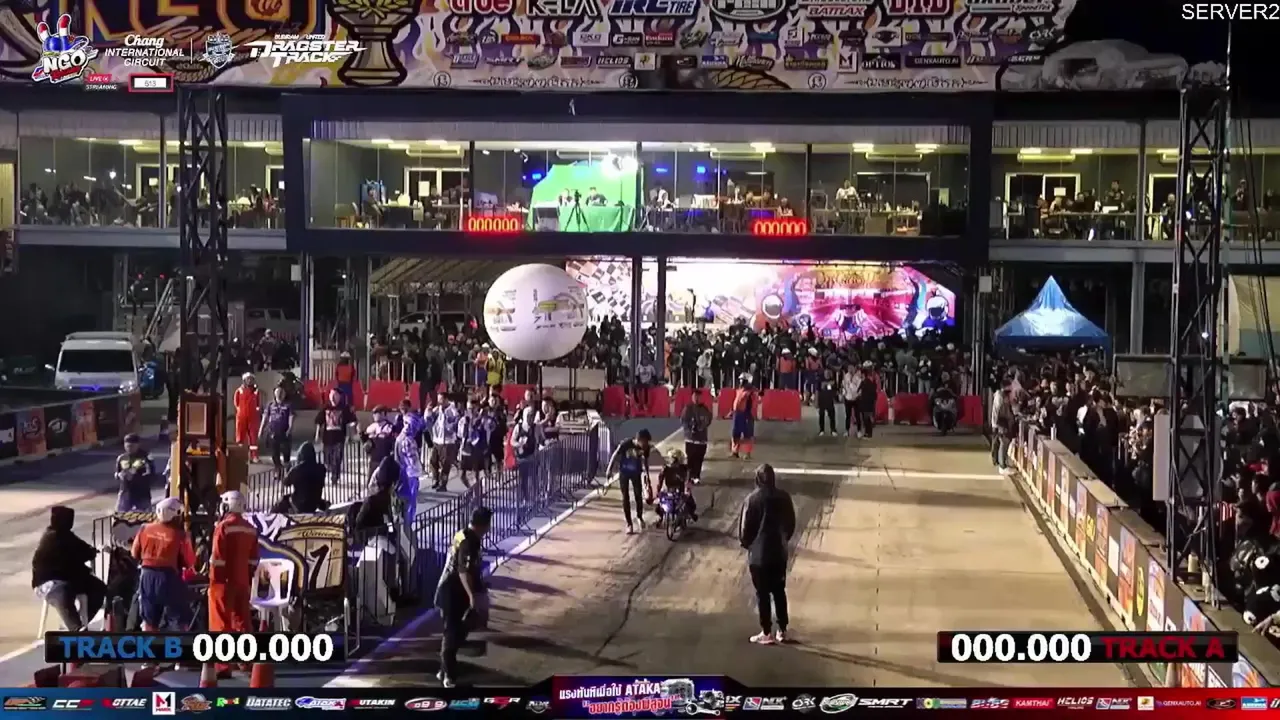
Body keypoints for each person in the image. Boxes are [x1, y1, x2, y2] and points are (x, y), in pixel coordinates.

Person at [435, 506, 493, 689]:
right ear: (483, 525)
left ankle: (444, 668)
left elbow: (470, 569)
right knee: (452, 633)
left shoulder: (465, 535)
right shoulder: (469, 542)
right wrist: (472, 595)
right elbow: (463, 571)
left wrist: (479, 586)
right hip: (451, 593)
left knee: (462, 629)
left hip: (456, 591)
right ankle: (449, 676)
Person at [739, 464, 796, 645]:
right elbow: (790, 524)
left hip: (758, 556)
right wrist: (783, 539)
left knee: (762, 593)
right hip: (779, 553)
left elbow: (745, 530)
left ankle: (766, 632)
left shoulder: (751, 500)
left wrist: (749, 545)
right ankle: (782, 630)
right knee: (779, 591)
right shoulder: (784, 497)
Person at [207, 490, 260, 678]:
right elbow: (254, 559)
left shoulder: (223, 527)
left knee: (221, 622)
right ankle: (247, 661)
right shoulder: (250, 528)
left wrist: (214, 580)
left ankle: (223, 666)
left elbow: (217, 558)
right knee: (242, 621)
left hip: (223, 582)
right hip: (242, 581)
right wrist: (246, 576)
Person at [32, 506, 106, 632]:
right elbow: (76, 556)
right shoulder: (51, 538)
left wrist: (92, 551)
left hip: (70, 578)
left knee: (98, 588)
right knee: (62, 593)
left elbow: (85, 550)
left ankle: (81, 621)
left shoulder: (67, 535)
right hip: (48, 582)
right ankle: (75, 628)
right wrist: (88, 553)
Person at [130, 498, 196, 631]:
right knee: (178, 619)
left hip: (146, 577)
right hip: (169, 579)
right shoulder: (180, 535)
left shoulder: (144, 529)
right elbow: (189, 561)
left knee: (149, 621)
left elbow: (134, 553)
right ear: (175, 515)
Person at [606, 428, 654, 534]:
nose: (646, 445)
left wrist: (647, 475)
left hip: (636, 473)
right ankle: (629, 523)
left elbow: (645, 461)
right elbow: (615, 455)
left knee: (638, 496)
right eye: (644, 442)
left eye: (647, 443)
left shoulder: (646, 448)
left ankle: (639, 517)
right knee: (625, 497)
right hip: (624, 473)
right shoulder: (626, 444)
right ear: (639, 440)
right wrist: (609, 470)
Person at [315, 388, 357, 484]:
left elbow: (351, 422)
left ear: (339, 397)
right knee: (327, 459)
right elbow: (319, 421)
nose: (333, 397)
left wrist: (351, 434)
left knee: (337, 458)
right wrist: (317, 434)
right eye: (331, 394)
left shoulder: (344, 408)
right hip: (327, 438)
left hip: (339, 438)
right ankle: (331, 469)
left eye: (335, 395)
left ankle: (335, 476)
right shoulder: (325, 407)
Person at [277, 442, 328, 513]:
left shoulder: (297, 469)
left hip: (299, 504)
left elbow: (286, 482)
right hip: (314, 504)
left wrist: (288, 471)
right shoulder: (321, 468)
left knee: (281, 502)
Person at [395, 412, 426, 527]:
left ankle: (403, 525)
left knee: (403, 503)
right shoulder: (408, 440)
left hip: (403, 474)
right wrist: (420, 469)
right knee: (410, 503)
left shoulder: (400, 438)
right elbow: (413, 461)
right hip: (410, 475)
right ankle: (407, 526)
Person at [425, 392, 460, 492]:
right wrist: (428, 411)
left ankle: (443, 484)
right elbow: (428, 420)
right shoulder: (437, 410)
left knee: (445, 464)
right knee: (433, 461)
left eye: (441, 399)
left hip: (448, 442)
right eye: (438, 399)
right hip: (437, 440)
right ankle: (436, 479)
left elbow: (455, 424)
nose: (439, 401)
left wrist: (448, 424)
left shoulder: (453, 411)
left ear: (446, 400)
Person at [114, 433, 158, 512]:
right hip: (125, 492)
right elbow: (117, 473)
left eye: (132, 446)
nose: (129, 448)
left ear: (137, 445)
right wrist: (119, 475)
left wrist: (135, 477)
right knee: (120, 515)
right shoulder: (121, 458)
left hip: (142, 494)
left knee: (144, 516)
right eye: (127, 446)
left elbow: (152, 476)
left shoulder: (146, 457)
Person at [457, 397, 493, 490]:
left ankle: (477, 493)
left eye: (473, 408)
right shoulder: (463, 420)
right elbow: (460, 435)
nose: (471, 411)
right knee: (461, 475)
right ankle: (471, 489)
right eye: (469, 408)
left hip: (476, 448)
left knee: (475, 474)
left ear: (477, 408)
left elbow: (487, 432)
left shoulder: (482, 420)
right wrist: (466, 427)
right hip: (465, 448)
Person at [655, 448, 698, 522]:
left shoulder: (685, 468)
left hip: (681, 491)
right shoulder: (665, 468)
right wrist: (658, 492)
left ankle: (690, 515)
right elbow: (660, 480)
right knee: (659, 506)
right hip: (669, 492)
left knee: (691, 504)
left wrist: (688, 489)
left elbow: (688, 480)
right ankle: (661, 518)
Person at [259, 386, 294, 477]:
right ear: (275, 394)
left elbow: (291, 417)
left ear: (284, 395)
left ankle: (288, 472)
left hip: (284, 433)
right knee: (275, 454)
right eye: (278, 393)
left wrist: (290, 429)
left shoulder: (288, 405)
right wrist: (261, 430)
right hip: (273, 433)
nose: (279, 394)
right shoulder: (270, 405)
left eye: (281, 393)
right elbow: (265, 417)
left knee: (286, 453)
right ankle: (278, 471)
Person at [680, 388, 712, 485]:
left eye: (698, 396)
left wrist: (701, 427)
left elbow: (708, 420)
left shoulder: (704, 409)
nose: (696, 398)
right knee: (690, 458)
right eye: (695, 396)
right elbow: (683, 421)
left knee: (699, 458)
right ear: (692, 397)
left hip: (701, 440)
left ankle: (696, 476)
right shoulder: (688, 408)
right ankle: (689, 476)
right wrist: (690, 428)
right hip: (690, 439)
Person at [233, 373, 261, 461]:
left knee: (253, 438)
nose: (249, 381)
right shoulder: (239, 390)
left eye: (251, 379)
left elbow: (258, 403)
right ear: (244, 380)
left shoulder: (256, 391)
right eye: (248, 379)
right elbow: (236, 403)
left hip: (253, 418)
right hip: (242, 417)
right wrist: (240, 411)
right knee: (240, 437)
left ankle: (254, 456)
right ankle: (239, 456)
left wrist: (256, 412)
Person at [731, 377, 756, 460]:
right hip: (737, 414)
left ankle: (747, 453)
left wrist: (749, 415)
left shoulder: (750, 392)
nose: (740, 382)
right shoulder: (740, 390)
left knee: (747, 435)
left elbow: (751, 404)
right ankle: (735, 452)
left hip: (745, 414)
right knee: (735, 434)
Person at [856, 361, 878, 439]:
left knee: (867, 417)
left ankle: (869, 433)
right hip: (864, 401)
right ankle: (867, 432)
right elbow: (858, 390)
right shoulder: (864, 381)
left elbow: (874, 390)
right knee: (865, 417)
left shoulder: (871, 379)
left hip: (869, 401)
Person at [840, 364, 861, 438]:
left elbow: (858, 387)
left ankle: (859, 431)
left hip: (856, 398)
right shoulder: (846, 376)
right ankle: (847, 431)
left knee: (857, 415)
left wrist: (858, 394)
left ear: (854, 368)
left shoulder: (857, 377)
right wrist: (844, 394)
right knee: (848, 416)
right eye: (849, 368)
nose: (851, 369)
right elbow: (844, 386)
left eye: (852, 368)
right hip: (848, 398)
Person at [816, 369, 838, 437]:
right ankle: (821, 430)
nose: (827, 374)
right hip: (822, 400)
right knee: (821, 416)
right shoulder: (820, 380)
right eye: (826, 373)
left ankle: (833, 430)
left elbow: (835, 391)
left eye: (829, 373)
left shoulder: (833, 380)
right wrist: (816, 401)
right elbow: (817, 391)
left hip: (830, 401)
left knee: (832, 416)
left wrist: (835, 398)